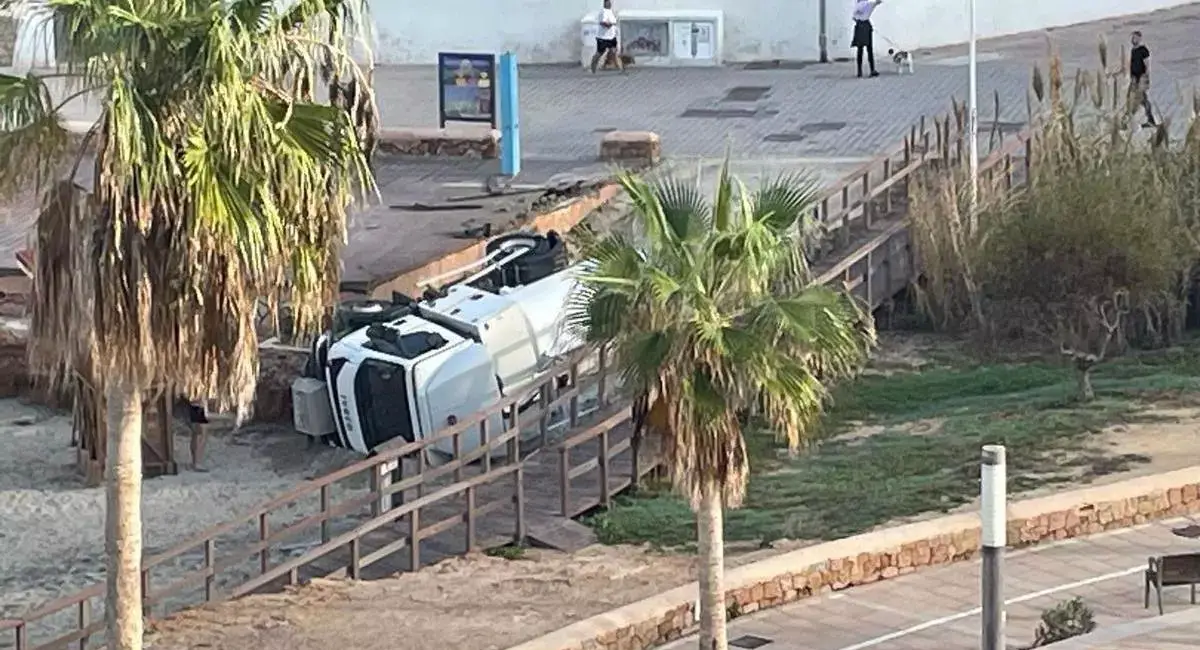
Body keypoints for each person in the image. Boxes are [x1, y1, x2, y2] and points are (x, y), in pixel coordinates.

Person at [1129, 31, 1156, 128]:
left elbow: (1147, 64)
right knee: (1139, 99)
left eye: (1135, 38)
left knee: (1142, 99)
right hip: (1134, 79)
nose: (1133, 39)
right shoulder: (1133, 50)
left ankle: (1150, 119)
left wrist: (1146, 78)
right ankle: (1149, 119)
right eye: (1132, 38)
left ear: (1139, 38)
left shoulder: (1143, 50)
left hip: (1141, 78)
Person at [590, 0, 623, 73]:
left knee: (614, 52)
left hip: (611, 37)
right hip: (603, 37)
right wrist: (610, 24)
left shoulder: (611, 12)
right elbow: (603, 23)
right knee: (599, 53)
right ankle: (593, 67)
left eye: (610, 3)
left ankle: (620, 69)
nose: (609, 4)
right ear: (604, 3)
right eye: (607, 3)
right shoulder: (603, 12)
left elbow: (614, 23)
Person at [852, 0, 883, 78]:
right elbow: (878, 2)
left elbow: (854, 17)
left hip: (859, 25)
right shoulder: (868, 4)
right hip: (866, 25)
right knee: (869, 49)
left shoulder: (857, 4)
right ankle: (872, 70)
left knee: (860, 49)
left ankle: (859, 71)